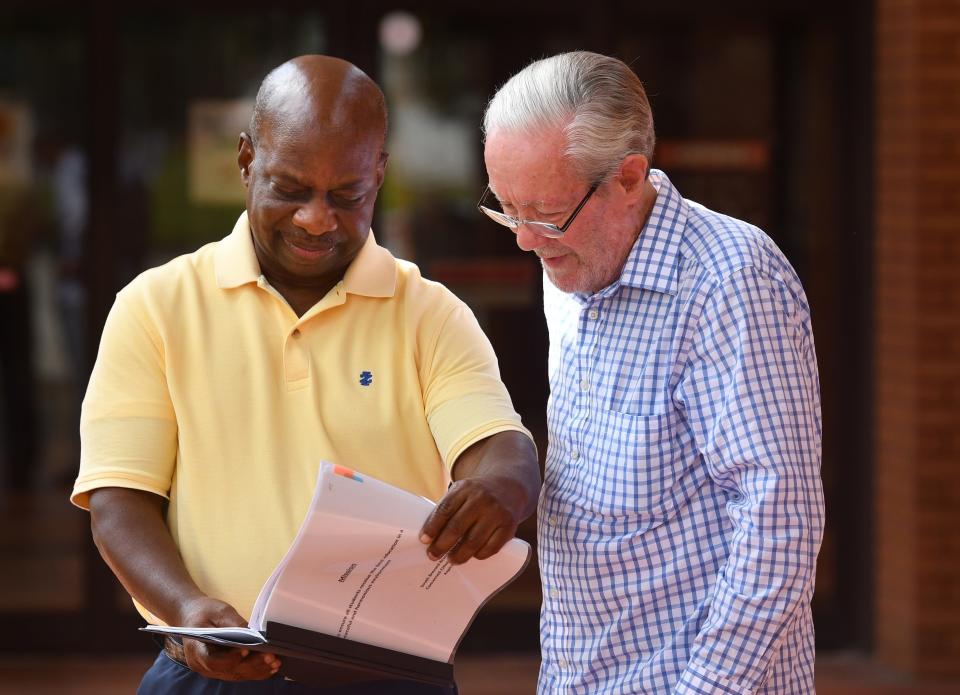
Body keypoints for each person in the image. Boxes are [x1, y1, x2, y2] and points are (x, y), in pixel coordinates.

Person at [71, 55, 540, 694]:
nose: (316, 219)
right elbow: (118, 502)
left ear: (380, 174)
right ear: (245, 162)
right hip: (208, 674)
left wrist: (504, 488)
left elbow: (495, 445)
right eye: (290, 189)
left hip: (388, 677)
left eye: (347, 196)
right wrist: (185, 610)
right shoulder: (155, 306)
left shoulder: (429, 313)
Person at [480, 51, 824, 694]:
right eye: (506, 209)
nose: (524, 239)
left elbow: (779, 523)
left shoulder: (731, 280)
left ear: (630, 178)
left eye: (544, 214)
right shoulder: (571, 262)